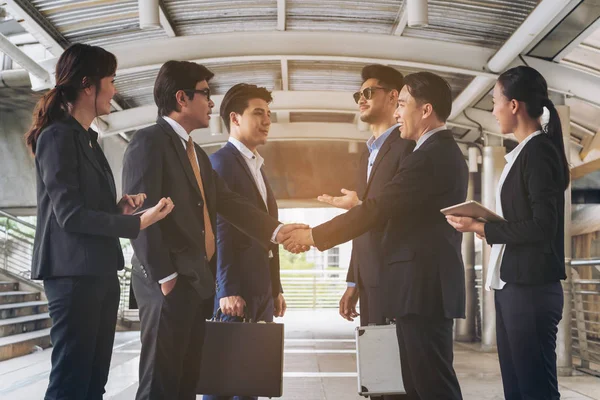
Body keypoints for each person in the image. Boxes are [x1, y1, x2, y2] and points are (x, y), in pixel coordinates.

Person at [122, 61, 307, 400]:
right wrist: (165, 278)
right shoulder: (148, 142)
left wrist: (278, 231)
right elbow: (141, 216)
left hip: (195, 286)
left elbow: (230, 203)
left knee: (187, 381)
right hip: (169, 287)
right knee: (159, 384)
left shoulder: (197, 155)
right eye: (205, 94)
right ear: (182, 98)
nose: (211, 103)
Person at [284, 71, 466, 400]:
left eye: (403, 105)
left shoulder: (429, 155)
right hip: (416, 289)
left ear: (425, 110)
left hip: (423, 289)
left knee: (432, 386)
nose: (398, 112)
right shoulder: (430, 152)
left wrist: (313, 236)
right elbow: (387, 208)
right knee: (415, 384)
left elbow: (379, 208)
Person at [25, 43, 173, 400]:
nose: (115, 89)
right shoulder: (57, 136)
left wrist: (119, 209)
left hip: (99, 273)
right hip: (73, 277)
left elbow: (83, 208)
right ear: (88, 85)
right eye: (111, 80)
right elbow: (69, 215)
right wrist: (136, 225)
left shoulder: (88, 140)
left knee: (93, 383)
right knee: (71, 382)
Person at [446, 65, 569, 400]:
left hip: (530, 289)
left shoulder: (539, 151)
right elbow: (528, 221)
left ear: (514, 105)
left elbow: (543, 227)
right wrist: (484, 226)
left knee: (534, 389)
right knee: (517, 388)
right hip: (513, 285)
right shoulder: (522, 152)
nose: (493, 109)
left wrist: (482, 227)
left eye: (495, 100)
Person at [318, 64, 414, 400]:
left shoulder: (407, 148)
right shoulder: (368, 153)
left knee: (401, 379)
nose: (361, 98)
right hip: (371, 279)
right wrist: (353, 281)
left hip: (397, 278)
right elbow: (364, 220)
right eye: (359, 94)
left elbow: (382, 213)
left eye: (368, 92)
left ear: (392, 97)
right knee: (377, 377)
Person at [203, 83, 285, 400]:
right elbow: (222, 228)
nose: (266, 120)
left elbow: (268, 232)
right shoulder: (222, 163)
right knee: (222, 382)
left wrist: (275, 286)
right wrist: (227, 288)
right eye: (258, 113)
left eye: (268, 114)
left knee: (250, 380)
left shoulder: (257, 166)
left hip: (259, 287)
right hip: (236, 290)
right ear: (235, 118)